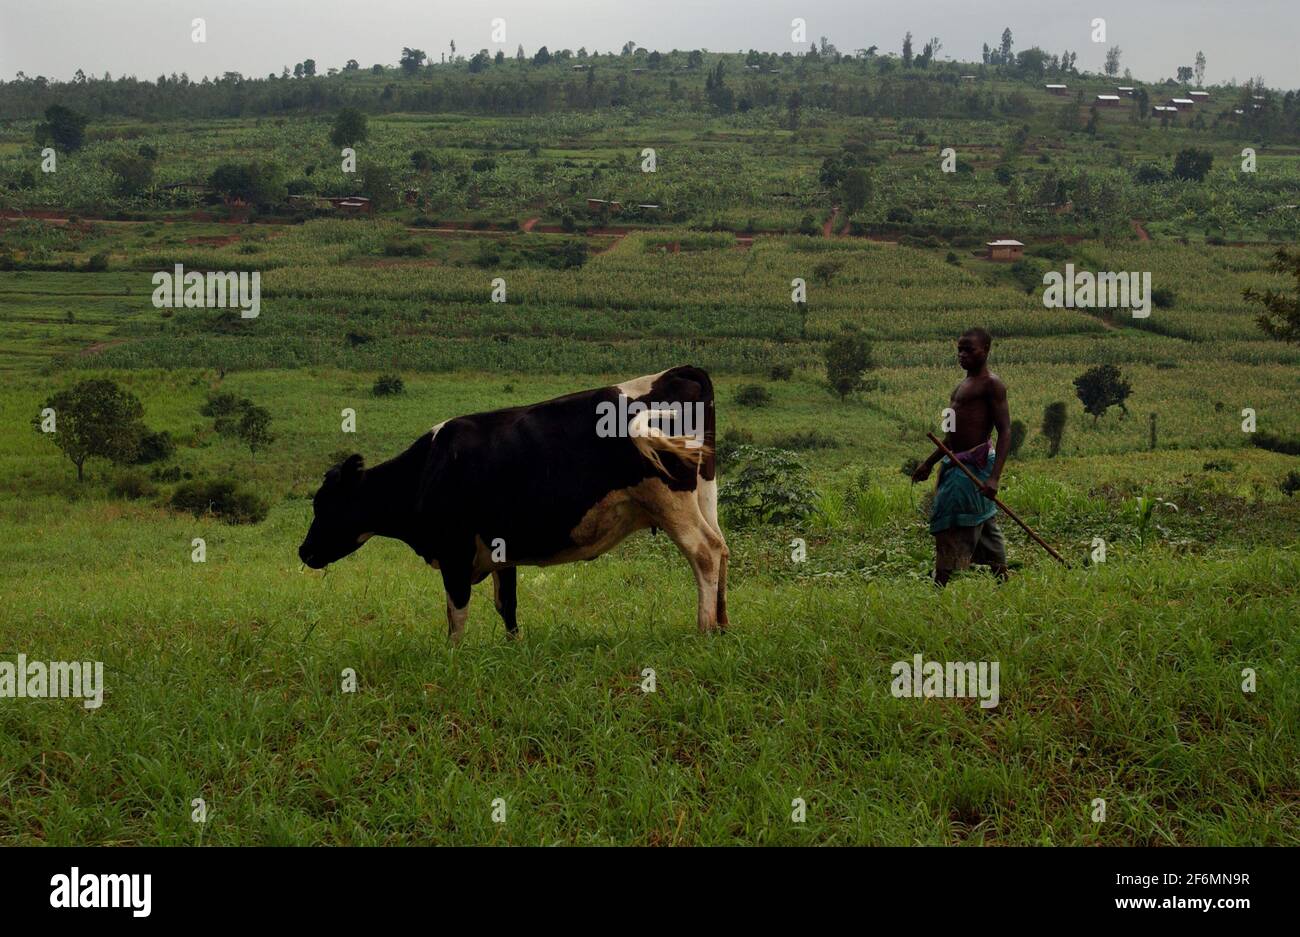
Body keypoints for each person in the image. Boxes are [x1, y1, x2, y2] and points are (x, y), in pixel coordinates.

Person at [911, 327, 1011, 586]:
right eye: (959, 350)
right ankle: (1003, 582)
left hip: (973, 468)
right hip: (954, 463)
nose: (962, 355)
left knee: (952, 525)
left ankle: (941, 586)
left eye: (969, 350)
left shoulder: (992, 384)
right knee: (986, 526)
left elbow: (1005, 431)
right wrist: (929, 463)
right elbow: (951, 437)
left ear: (986, 351)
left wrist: (994, 478)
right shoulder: (960, 387)